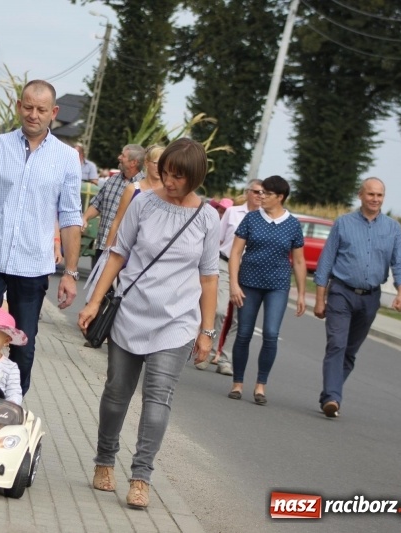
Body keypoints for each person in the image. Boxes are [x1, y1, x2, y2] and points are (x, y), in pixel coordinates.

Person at [78, 138, 219, 509]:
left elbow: (208, 277)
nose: (168, 181)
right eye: (166, 173)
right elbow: (117, 255)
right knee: (116, 394)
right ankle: (104, 459)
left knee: (158, 399)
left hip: (176, 323)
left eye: (177, 176)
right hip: (130, 314)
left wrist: (206, 330)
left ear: (195, 177)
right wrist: (94, 302)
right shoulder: (143, 203)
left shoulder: (207, 217)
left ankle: (141, 476)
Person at [0, 80, 83, 397]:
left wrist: (71, 274)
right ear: (18, 106)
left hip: (33, 264)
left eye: (41, 109)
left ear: (54, 112)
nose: (33, 115)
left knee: (24, 345)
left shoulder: (66, 158)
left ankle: (12, 411)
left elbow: (71, 216)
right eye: (28, 107)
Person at [314, 177, 401, 418]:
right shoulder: (343, 224)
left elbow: (399, 262)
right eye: (371, 194)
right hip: (341, 292)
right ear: (361, 195)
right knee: (337, 343)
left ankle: (329, 393)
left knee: (350, 351)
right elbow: (326, 261)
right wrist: (319, 298)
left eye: (379, 195)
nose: (375, 199)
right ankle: (334, 398)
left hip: (370, 298)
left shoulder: (392, 228)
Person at [227, 176, 307, 405]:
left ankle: (261, 385)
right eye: (260, 193)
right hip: (248, 283)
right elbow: (235, 253)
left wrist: (301, 294)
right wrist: (234, 283)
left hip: (278, 285)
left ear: (280, 197)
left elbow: (299, 262)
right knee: (243, 333)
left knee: (271, 334)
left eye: (267, 194)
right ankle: (238, 382)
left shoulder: (293, 223)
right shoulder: (251, 219)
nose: (261, 197)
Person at [196, 180, 264, 376]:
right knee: (218, 310)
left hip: (249, 268)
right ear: (248, 192)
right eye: (257, 192)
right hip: (225, 263)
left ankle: (225, 359)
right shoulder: (233, 213)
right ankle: (208, 350)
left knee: (240, 317)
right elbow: (217, 239)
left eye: (263, 192)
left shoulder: (264, 218)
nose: (260, 195)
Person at [81, 144, 146, 269]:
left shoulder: (143, 188)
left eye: (123, 155)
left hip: (123, 253)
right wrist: (85, 218)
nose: (119, 157)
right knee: (96, 286)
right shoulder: (113, 180)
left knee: (116, 288)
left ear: (133, 163)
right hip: (102, 247)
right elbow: (97, 203)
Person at [103, 144, 163, 250]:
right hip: (126, 248)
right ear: (146, 163)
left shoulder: (168, 193)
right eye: (156, 163)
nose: (161, 168)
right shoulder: (132, 189)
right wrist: (107, 251)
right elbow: (117, 222)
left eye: (164, 164)